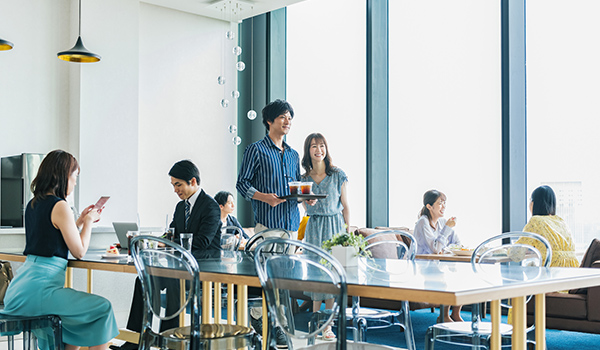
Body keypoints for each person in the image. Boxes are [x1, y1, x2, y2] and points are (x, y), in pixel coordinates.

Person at [0, 150, 119, 350]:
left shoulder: (33, 204)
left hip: (20, 290)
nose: (74, 183)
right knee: (102, 308)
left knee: (73, 323)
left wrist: (79, 221)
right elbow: (79, 251)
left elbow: (52, 236)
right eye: (74, 177)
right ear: (64, 176)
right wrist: (89, 222)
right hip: (40, 291)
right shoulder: (61, 205)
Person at [114, 160, 222, 350]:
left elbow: (202, 243)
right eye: (173, 185)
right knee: (142, 280)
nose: (175, 190)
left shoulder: (210, 206)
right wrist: (154, 241)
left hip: (203, 269)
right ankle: (136, 341)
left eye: (178, 184)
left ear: (193, 181)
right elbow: (171, 233)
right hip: (180, 268)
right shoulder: (181, 207)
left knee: (173, 283)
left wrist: (172, 243)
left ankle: (168, 343)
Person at [237, 99, 312, 349]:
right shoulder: (255, 150)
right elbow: (242, 185)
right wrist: (264, 197)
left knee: (283, 282)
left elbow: (295, 188)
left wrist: (304, 200)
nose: (287, 120)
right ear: (269, 120)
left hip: (291, 225)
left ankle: (278, 326)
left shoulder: (292, 155)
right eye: (282, 116)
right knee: (266, 280)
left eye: (290, 116)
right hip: (268, 226)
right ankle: (261, 322)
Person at [300, 132, 350, 341]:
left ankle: (327, 325)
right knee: (315, 275)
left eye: (321, 146)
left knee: (331, 277)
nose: (318, 150)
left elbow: (346, 206)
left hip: (335, 227)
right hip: (314, 228)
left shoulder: (338, 174)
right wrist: (306, 202)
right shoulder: (303, 179)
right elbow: (303, 203)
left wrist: (347, 234)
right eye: (313, 146)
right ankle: (315, 320)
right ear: (308, 151)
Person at [413, 189, 463, 322]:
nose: (444, 206)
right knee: (447, 277)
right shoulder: (423, 222)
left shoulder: (442, 222)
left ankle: (455, 314)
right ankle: (444, 316)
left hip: (436, 264)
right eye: (440, 203)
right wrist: (447, 229)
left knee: (462, 277)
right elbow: (435, 249)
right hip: (421, 267)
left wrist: (444, 248)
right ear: (429, 206)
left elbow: (457, 243)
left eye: (444, 203)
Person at [518, 185, 578, 267]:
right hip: (572, 269)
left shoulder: (535, 221)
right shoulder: (560, 221)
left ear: (533, 203)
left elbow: (516, 253)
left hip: (552, 267)